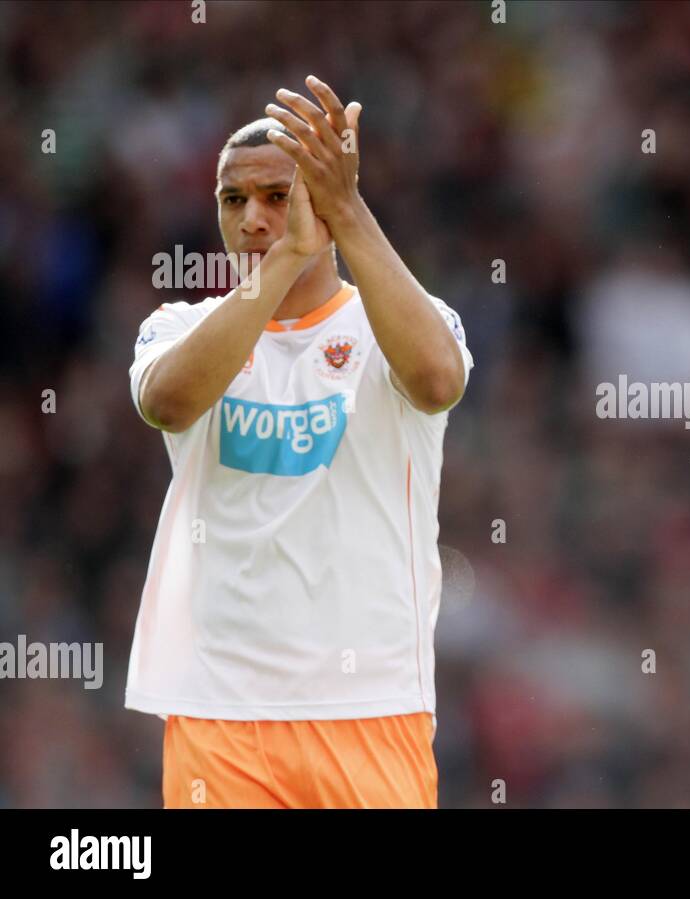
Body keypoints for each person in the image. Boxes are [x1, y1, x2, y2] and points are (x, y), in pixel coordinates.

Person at [127, 76, 472, 808]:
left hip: (371, 705)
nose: (252, 218)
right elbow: (168, 401)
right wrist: (286, 257)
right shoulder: (178, 328)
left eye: (278, 197)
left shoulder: (405, 320)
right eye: (233, 199)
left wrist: (347, 212)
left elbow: (439, 380)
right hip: (219, 710)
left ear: (321, 199)